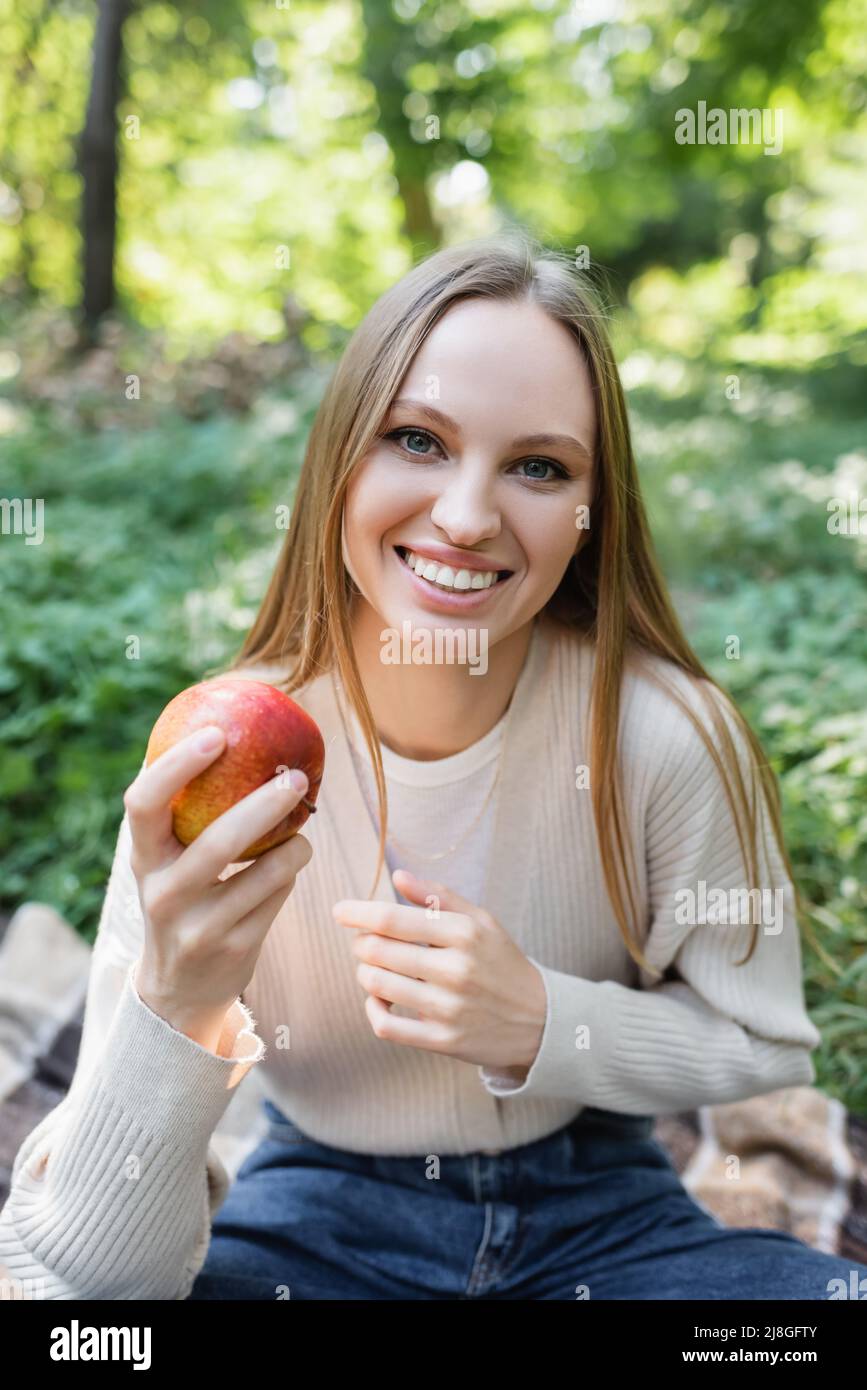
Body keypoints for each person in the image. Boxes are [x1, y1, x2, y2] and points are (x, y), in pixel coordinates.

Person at [2, 234, 864, 1300]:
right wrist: (172, 1002)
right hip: (318, 1208)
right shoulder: (214, 752)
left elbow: (763, 1043)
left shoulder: (667, 733)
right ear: (342, 458)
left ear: (592, 514)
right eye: (417, 439)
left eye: (539, 466)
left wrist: (546, 1020)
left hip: (604, 1211)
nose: (466, 516)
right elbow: (78, 1286)